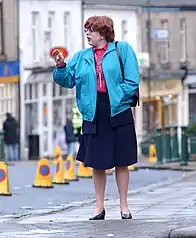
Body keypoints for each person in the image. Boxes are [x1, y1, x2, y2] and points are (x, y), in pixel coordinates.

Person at [52, 16, 139, 220]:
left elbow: (132, 80)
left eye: (91, 30)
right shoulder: (82, 56)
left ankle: (124, 206)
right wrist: (61, 66)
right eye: (86, 31)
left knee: (121, 161)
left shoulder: (122, 50)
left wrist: (117, 96)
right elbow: (68, 81)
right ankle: (99, 207)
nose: (88, 34)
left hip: (118, 110)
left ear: (104, 32)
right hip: (93, 112)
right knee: (98, 163)